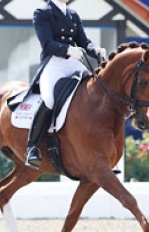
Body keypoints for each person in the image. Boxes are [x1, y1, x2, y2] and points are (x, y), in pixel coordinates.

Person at [25, 0, 107, 169]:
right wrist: (68, 50)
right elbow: (47, 43)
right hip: (54, 63)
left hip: (73, 62)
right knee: (49, 99)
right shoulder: (42, 12)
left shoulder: (73, 15)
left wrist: (96, 50)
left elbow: (84, 42)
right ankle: (31, 147)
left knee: (97, 90)